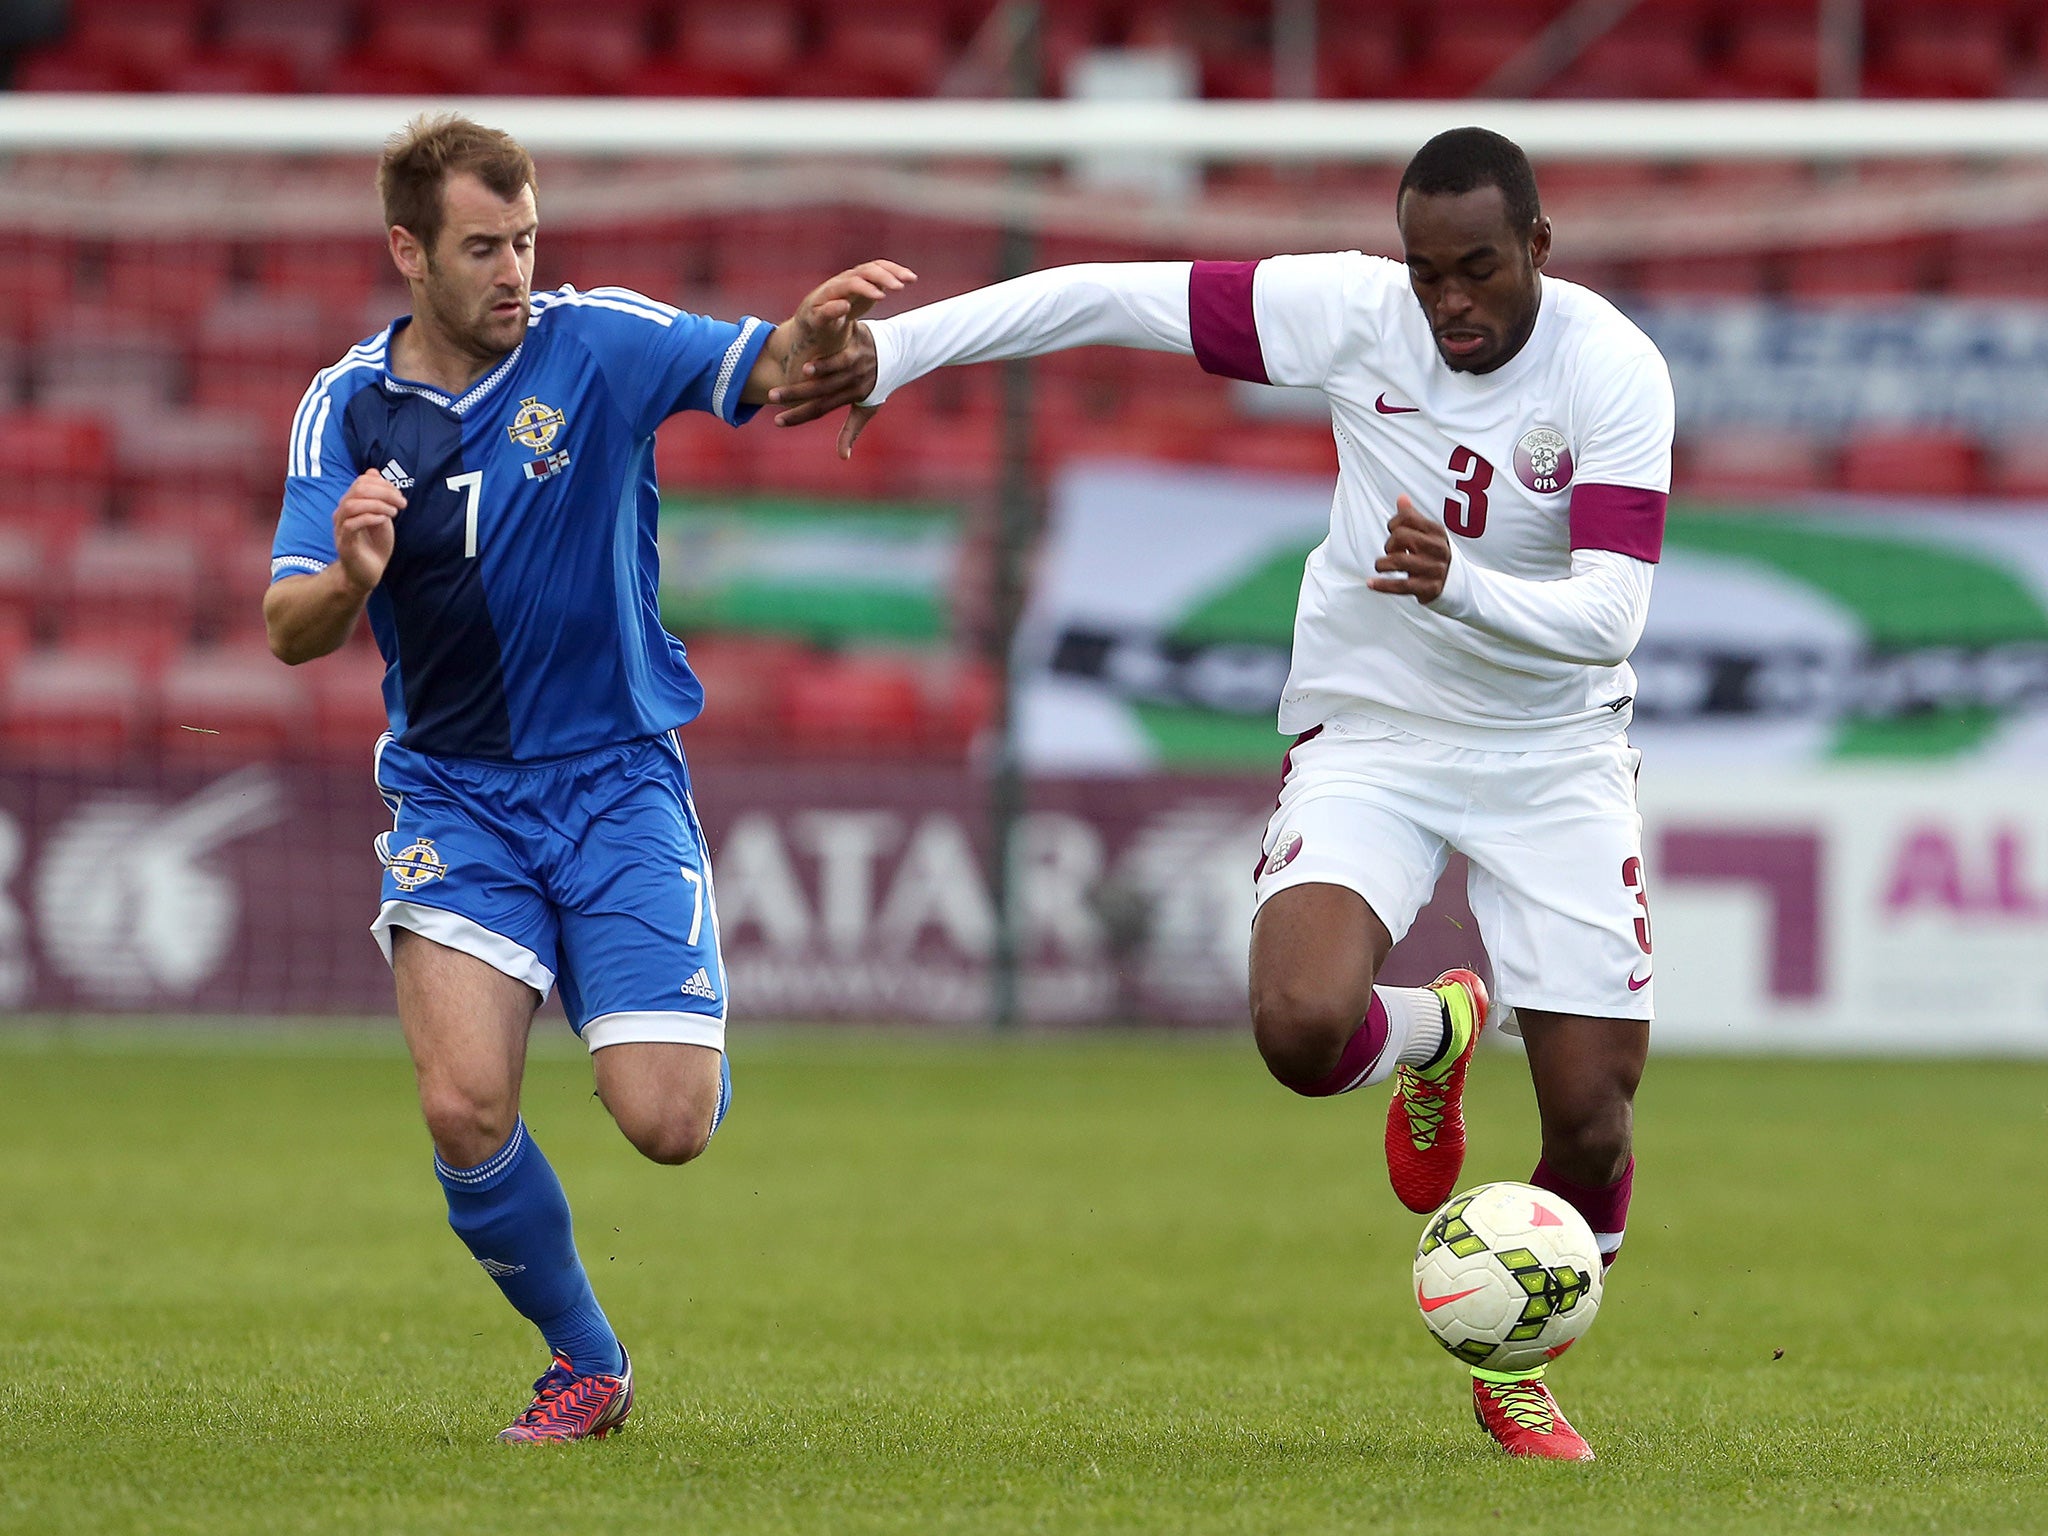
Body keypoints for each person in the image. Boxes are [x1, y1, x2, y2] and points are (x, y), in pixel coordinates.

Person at [773, 126, 1670, 1463]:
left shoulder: (1611, 370)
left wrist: (1461, 585)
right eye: (1429, 274)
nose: (1450, 304)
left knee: (1592, 1119)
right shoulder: (1358, 311)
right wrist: (899, 352)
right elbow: (1106, 292)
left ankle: (1521, 1362)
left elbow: (1612, 615)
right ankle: (1434, 1039)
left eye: (1478, 270)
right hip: (1374, 729)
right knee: (1300, 1029)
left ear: (1537, 247)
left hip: (1555, 755)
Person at [264, 112, 911, 1443]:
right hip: (456, 797)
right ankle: (587, 1362)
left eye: (527, 240)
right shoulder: (348, 408)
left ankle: (655, 1021)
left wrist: (818, 339)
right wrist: (350, 578)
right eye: (483, 247)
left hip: (616, 781)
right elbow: (289, 628)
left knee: (665, 1123)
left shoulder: (598, 342)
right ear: (408, 250)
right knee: (460, 1106)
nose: (514, 271)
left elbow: (764, 365)